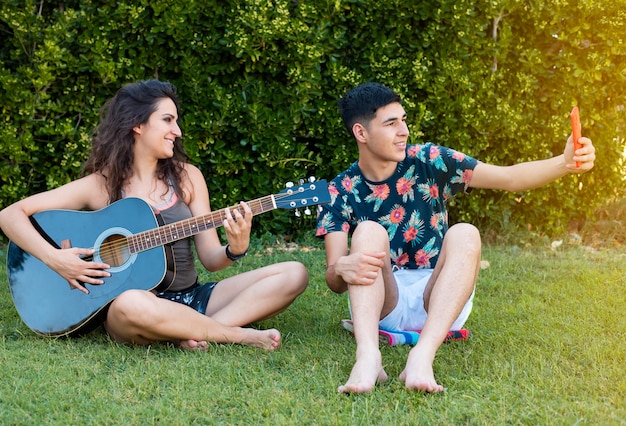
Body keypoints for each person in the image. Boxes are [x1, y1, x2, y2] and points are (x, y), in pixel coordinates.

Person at [315, 82, 595, 393]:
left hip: (440, 299)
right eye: (391, 123)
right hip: (380, 304)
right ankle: (368, 357)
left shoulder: (429, 159)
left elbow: (510, 177)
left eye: (404, 120)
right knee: (368, 231)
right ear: (361, 133)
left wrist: (565, 162)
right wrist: (342, 267)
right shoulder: (339, 189)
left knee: (466, 232)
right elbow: (334, 278)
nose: (403, 131)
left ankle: (422, 357)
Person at [0, 79, 308, 350]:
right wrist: (56, 259)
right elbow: (10, 214)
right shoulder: (100, 185)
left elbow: (212, 259)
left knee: (294, 273)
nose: (178, 130)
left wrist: (235, 249)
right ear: (138, 124)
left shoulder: (188, 178)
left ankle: (186, 332)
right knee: (129, 304)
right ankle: (234, 335)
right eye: (167, 120)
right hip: (139, 307)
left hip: (193, 297)